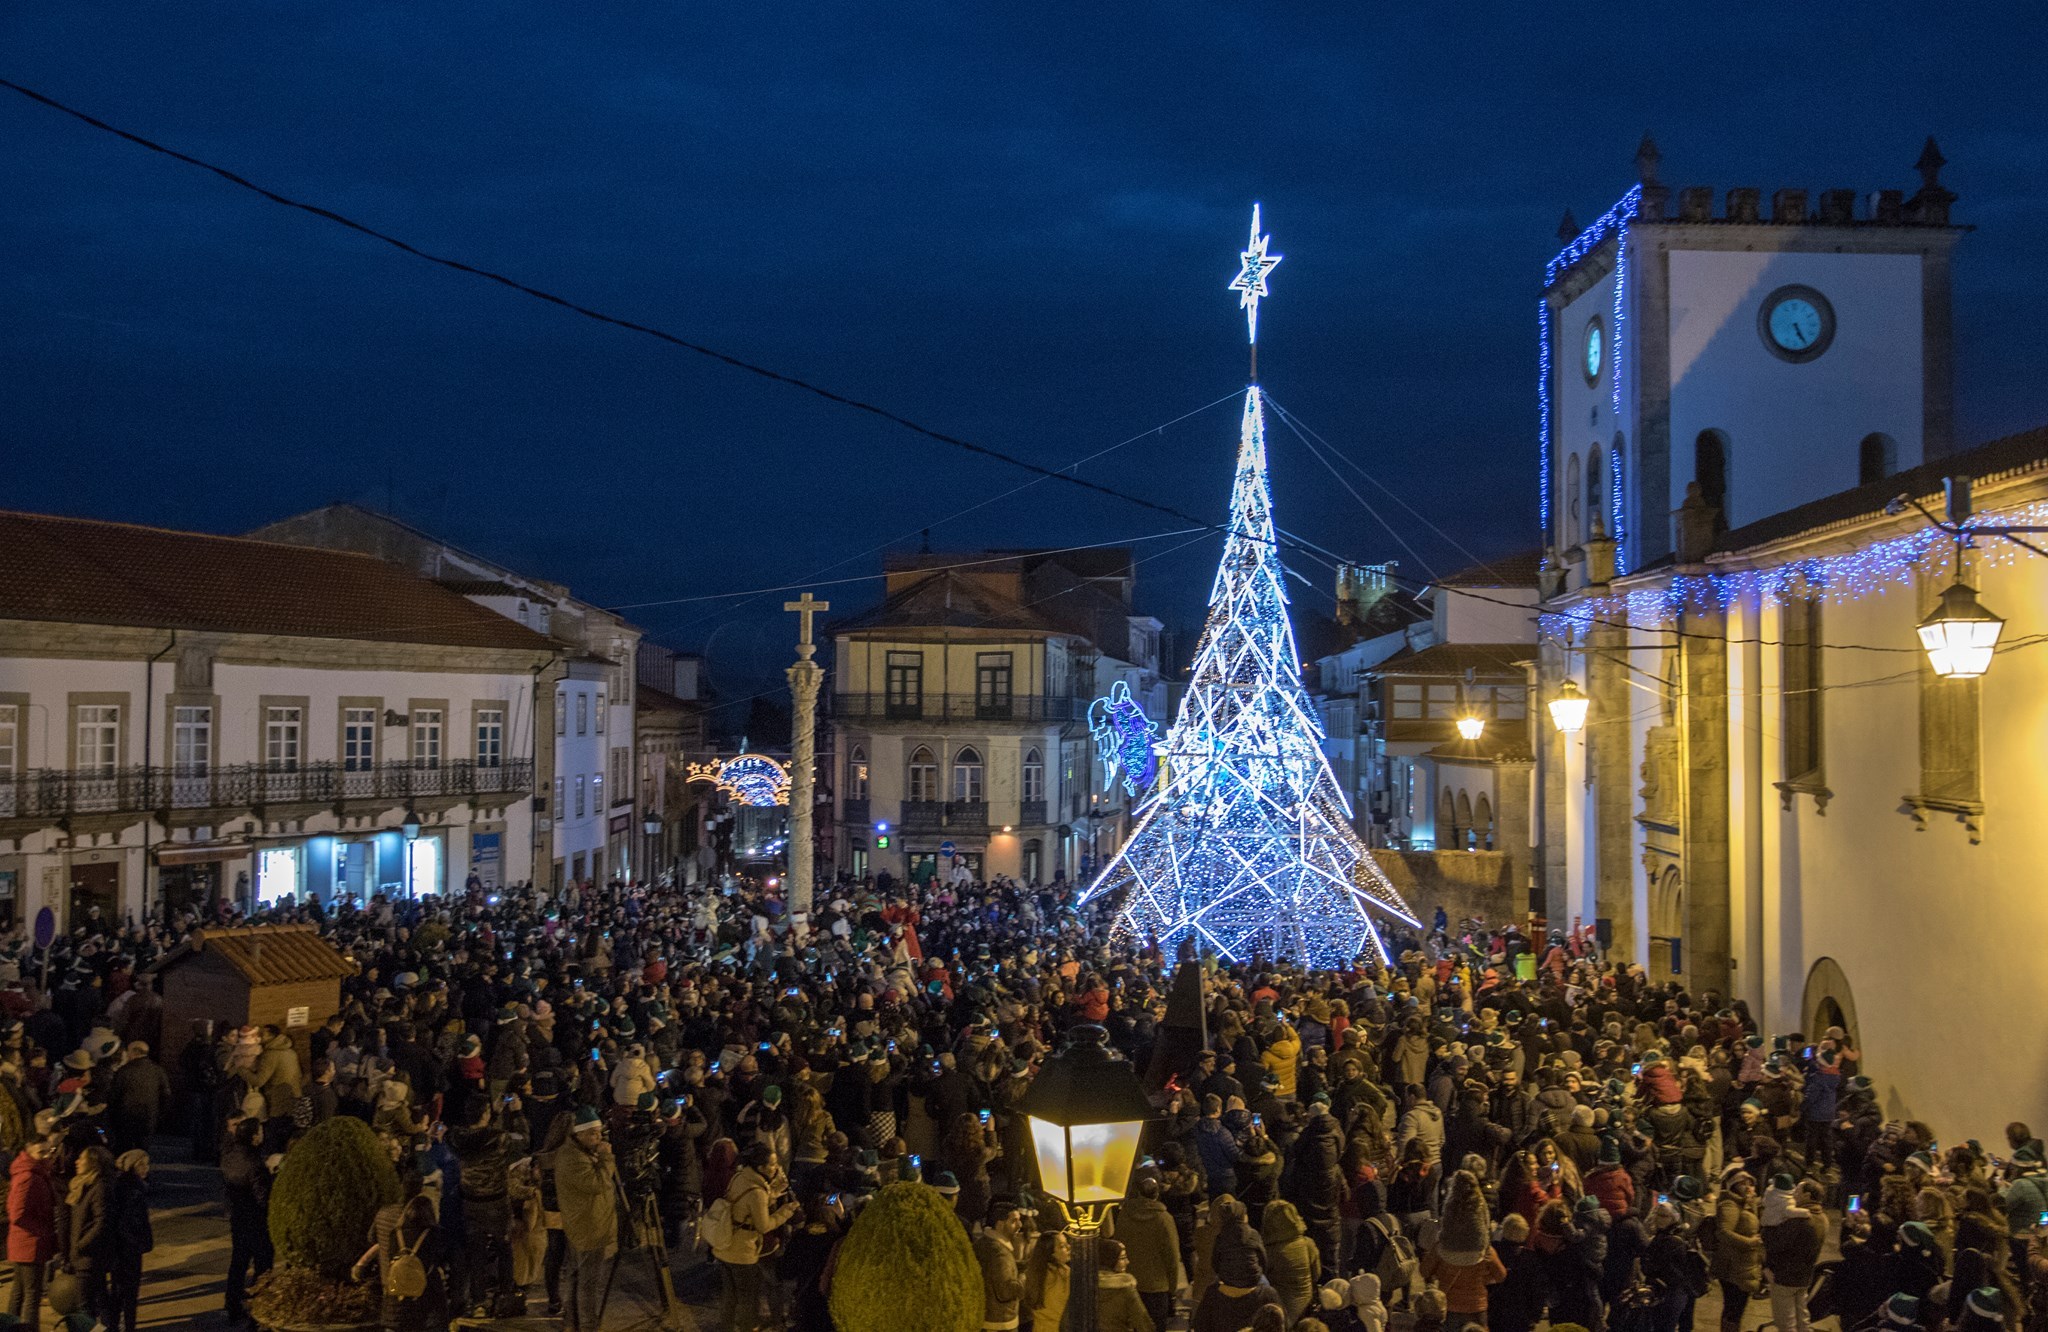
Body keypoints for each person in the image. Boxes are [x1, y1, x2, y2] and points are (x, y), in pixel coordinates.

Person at [711, 1139, 798, 1332]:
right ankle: (748, 1328)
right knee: (747, 1297)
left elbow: (746, 1205)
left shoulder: (740, 1177)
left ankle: (725, 1327)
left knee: (730, 1294)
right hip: (743, 1252)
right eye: (773, 1164)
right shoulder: (757, 1192)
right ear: (761, 1167)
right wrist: (786, 1211)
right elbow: (764, 1225)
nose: (776, 1167)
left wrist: (773, 1193)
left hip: (726, 1246)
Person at [355, 1169, 450, 1332]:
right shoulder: (425, 1223)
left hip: (393, 1284)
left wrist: (361, 1264)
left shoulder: (385, 1216)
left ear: (401, 1187)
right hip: (422, 1291)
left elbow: (372, 1240)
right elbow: (439, 1257)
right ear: (420, 1189)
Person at [554, 1105, 620, 1332]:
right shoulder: (573, 1158)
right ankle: (588, 1326)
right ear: (579, 1134)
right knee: (587, 1284)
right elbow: (598, 1184)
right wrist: (606, 1157)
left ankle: (572, 1324)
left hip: (584, 1225)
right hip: (588, 1228)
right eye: (593, 1133)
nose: (598, 1137)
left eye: (599, 1132)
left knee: (576, 1277)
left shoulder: (578, 1152)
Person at [1112, 1173, 1186, 1330]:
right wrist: (1172, 1288)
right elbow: (1172, 1256)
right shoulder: (1164, 1219)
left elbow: (1117, 1245)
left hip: (1130, 1281)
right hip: (1157, 1287)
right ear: (1157, 1194)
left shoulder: (1125, 1215)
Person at [221, 1114, 274, 1324]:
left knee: (238, 1263)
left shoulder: (230, 1156)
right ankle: (259, 1308)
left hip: (237, 1216)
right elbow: (263, 1198)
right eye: (260, 1132)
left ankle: (232, 1304)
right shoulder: (255, 1164)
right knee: (263, 1265)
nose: (262, 1135)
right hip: (256, 1221)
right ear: (254, 1137)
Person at [7, 1133, 58, 1330]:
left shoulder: (31, 1172)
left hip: (24, 1243)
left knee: (19, 1292)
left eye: (49, 1151)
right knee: (31, 1295)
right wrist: (41, 1232)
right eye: (41, 1152)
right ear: (29, 1152)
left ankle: (8, 1326)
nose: (46, 1156)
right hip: (29, 1244)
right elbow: (17, 1214)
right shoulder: (29, 1177)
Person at [65, 1144, 115, 1330]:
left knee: (84, 1306)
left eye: (82, 1159)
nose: (77, 1162)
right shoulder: (84, 1184)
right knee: (101, 1299)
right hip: (87, 1256)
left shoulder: (99, 1187)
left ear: (93, 1163)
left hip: (89, 1257)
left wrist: (80, 1245)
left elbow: (102, 1222)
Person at [106, 1150, 154, 1332]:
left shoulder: (121, 1186)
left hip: (121, 1248)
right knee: (129, 1293)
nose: (146, 1169)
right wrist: (137, 1242)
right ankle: (129, 1327)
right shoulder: (134, 1190)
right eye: (143, 1165)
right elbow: (130, 1221)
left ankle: (113, 1325)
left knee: (118, 1291)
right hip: (129, 1249)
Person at [107, 1042, 171, 1156]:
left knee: (124, 1149)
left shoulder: (123, 1071)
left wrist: (112, 1117)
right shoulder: (158, 1070)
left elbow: (113, 1096)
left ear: (134, 1052)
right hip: (148, 1116)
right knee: (142, 1149)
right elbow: (166, 1095)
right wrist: (160, 1114)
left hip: (125, 1117)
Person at [975, 1200, 1027, 1332]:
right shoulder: (1000, 1254)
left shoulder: (984, 1243)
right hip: (1001, 1324)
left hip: (986, 1319)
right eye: (1014, 1221)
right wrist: (1024, 1277)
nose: (1020, 1225)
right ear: (999, 1224)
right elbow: (1006, 1291)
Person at [1095, 1237, 1157, 1332]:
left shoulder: (1087, 1285)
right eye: (1122, 1258)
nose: (1127, 1262)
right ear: (1111, 1260)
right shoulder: (1125, 1289)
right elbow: (1144, 1323)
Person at [1023, 1230, 1072, 1332]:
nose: (1069, 1247)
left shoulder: (1034, 1273)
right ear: (1051, 1253)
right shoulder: (1064, 1275)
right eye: (1062, 1246)